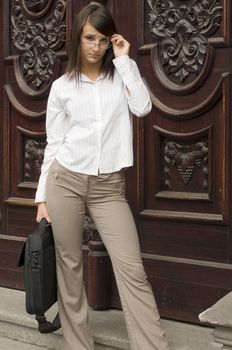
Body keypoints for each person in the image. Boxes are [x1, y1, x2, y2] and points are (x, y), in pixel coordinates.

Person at [35, 2, 170, 350]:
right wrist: (41, 197)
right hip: (65, 182)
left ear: (112, 42)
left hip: (109, 187)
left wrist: (125, 61)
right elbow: (54, 144)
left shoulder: (119, 77)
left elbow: (142, 107)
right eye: (89, 38)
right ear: (78, 39)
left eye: (103, 40)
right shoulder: (62, 88)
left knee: (132, 270)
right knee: (69, 268)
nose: (96, 47)